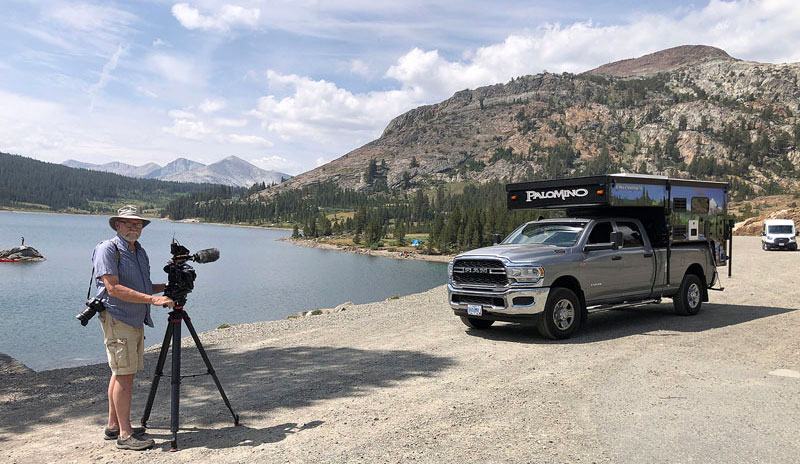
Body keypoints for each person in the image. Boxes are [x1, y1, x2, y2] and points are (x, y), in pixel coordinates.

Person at [92, 205, 174, 451]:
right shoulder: (108, 249)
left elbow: (143, 285)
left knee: (121, 373)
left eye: (137, 224)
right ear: (117, 225)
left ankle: (114, 425)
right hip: (118, 318)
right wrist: (153, 300)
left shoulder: (139, 251)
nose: (133, 228)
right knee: (124, 375)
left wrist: (167, 287)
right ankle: (126, 435)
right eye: (127, 223)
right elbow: (113, 288)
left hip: (135, 318)